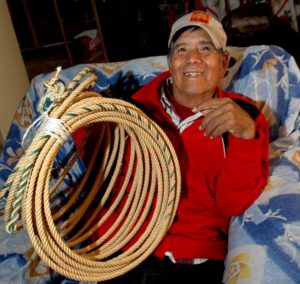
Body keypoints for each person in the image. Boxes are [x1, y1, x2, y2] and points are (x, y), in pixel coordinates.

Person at [77, 10, 269, 284]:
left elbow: (233, 203)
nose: (193, 58)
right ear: (170, 62)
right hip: (124, 251)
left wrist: (244, 136)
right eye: (182, 49)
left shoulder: (244, 117)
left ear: (224, 61)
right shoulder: (130, 110)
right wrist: (76, 120)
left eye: (206, 48)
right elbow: (100, 172)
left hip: (195, 262)